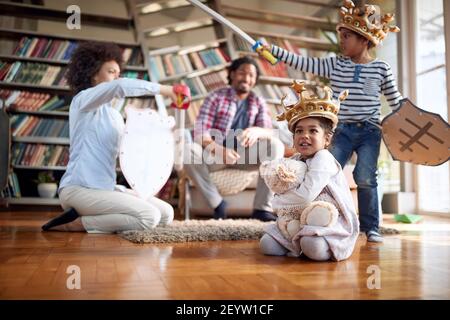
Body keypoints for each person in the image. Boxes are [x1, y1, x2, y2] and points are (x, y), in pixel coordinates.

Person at [263, 0, 402, 242]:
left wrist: (411, 122)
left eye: (348, 36)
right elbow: (303, 62)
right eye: (342, 36)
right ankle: (320, 217)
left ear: (364, 39)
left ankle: (371, 228)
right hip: (342, 131)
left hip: (370, 130)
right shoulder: (335, 64)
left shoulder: (381, 68)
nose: (342, 40)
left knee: (366, 177)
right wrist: (272, 50)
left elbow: (395, 100)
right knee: (322, 172)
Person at [42, 41, 189, 233]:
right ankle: (79, 223)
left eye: (118, 73)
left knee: (166, 213)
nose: (116, 77)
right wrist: (166, 90)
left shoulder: (114, 116)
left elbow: (131, 149)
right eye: (111, 71)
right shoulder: (82, 102)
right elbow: (119, 87)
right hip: (79, 190)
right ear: (93, 74)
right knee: (148, 216)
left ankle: (98, 218)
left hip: (107, 189)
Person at [259, 83, 359, 261]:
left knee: (311, 245)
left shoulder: (323, 158)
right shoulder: (296, 161)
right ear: (293, 138)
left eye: (313, 130)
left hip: (327, 220)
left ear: (326, 139)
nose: (304, 135)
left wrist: (277, 203)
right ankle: (295, 240)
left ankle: (319, 244)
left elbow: (305, 196)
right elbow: (282, 184)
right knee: (267, 245)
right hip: (297, 218)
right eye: (299, 131)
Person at [184, 56, 285, 221]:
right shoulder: (215, 97)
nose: (246, 78)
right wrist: (219, 150)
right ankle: (217, 204)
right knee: (187, 150)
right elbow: (200, 132)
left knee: (275, 145)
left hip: (244, 156)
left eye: (251, 75)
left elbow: (270, 131)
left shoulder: (258, 101)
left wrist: (257, 131)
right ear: (231, 74)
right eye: (242, 73)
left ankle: (261, 209)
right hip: (215, 156)